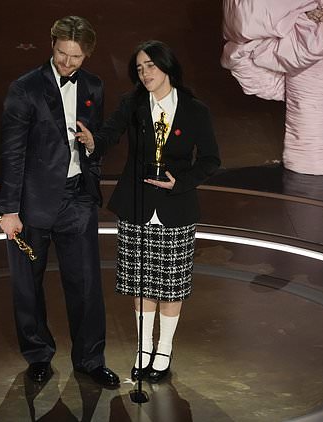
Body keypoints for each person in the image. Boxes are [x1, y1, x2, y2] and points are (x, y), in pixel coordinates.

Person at [75, 40, 220, 383]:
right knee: (142, 284)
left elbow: (212, 159)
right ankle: (143, 349)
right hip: (137, 205)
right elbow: (110, 132)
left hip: (176, 206)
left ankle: (164, 351)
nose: (145, 73)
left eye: (150, 66)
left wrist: (180, 181)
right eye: (139, 68)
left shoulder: (195, 109)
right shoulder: (133, 103)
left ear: (167, 66)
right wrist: (95, 141)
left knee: (170, 287)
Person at [0, 15, 119, 388]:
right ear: (52, 45)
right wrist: (8, 209)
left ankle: (89, 359)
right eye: (63, 54)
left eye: (76, 58)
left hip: (77, 198)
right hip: (32, 202)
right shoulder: (25, 89)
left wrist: (93, 144)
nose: (68, 63)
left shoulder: (94, 87)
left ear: (87, 56)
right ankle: (37, 355)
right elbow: (12, 153)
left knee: (85, 285)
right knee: (27, 285)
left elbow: (95, 140)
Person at [221, 0, 323, 175]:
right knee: (304, 113)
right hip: (303, 38)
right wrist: (304, 11)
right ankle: (312, 163)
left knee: (317, 118)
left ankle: (318, 163)